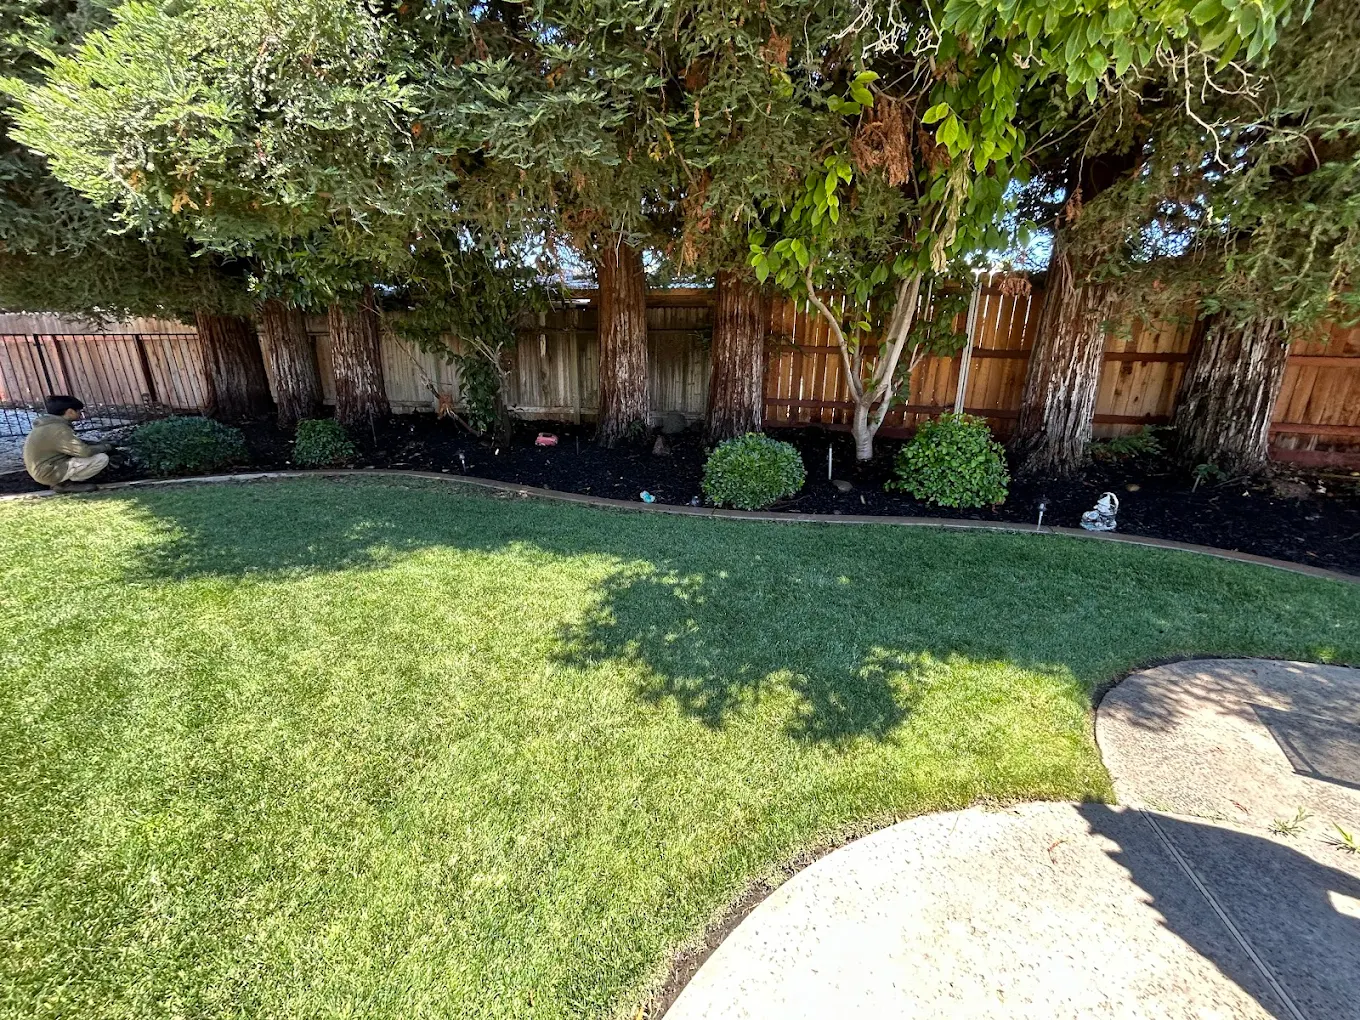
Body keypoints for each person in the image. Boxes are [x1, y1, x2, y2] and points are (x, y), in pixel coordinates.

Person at [22, 395, 114, 492]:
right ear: (70, 411)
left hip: (44, 469)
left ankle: (62, 482)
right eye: (79, 411)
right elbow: (84, 452)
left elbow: (73, 445)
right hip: (49, 472)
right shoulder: (59, 429)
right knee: (101, 458)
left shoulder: (47, 426)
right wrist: (107, 447)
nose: (81, 415)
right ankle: (64, 484)